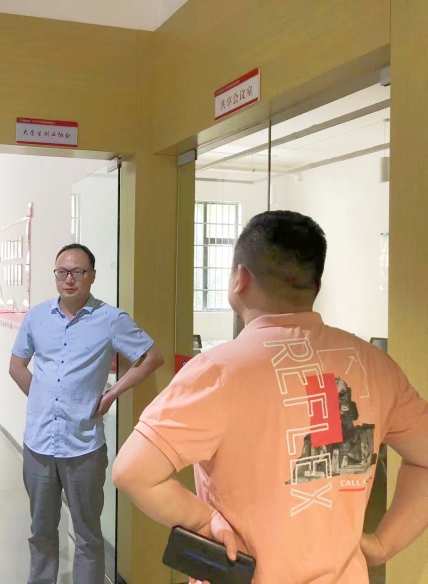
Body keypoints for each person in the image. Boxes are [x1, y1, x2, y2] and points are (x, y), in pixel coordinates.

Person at [113, 211, 428, 583]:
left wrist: (204, 521)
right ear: (316, 284)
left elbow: (132, 472)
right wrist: (384, 545)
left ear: (240, 279)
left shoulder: (217, 371)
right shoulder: (375, 364)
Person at [9, 243, 165, 584]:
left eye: (77, 272)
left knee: (88, 535)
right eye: (62, 272)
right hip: (38, 444)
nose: (69, 279)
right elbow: (16, 365)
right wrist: (42, 399)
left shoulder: (111, 319)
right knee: (41, 531)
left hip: (84, 446)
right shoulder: (37, 316)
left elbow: (152, 357)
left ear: (92, 276)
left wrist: (112, 394)